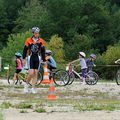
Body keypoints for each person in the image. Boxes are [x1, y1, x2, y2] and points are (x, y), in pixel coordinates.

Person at [22, 27, 46, 94]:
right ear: (33, 33)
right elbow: (25, 50)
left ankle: (33, 88)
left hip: (37, 57)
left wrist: (44, 60)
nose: (37, 34)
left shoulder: (41, 40)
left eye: (38, 33)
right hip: (30, 57)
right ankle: (26, 86)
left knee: (36, 73)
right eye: (36, 33)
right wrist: (23, 58)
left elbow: (43, 51)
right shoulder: (28, 40)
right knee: (31, 73)